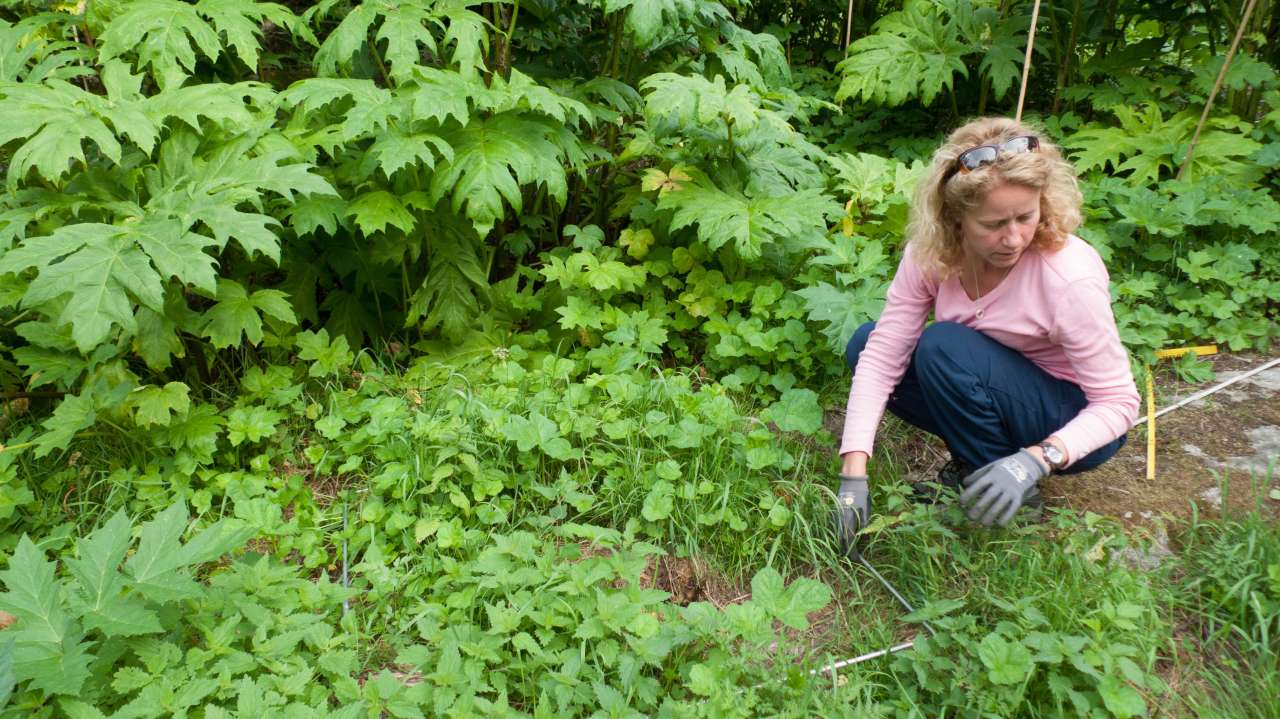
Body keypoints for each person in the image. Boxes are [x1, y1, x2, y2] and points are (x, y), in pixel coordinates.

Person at [832, 117, 1140, 546]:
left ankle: (1010, 482)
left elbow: (1119, 403)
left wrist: (1037, 459)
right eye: (994, 225)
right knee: (866, 343)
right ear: (955, 218)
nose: (1013, 238)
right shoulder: (932, 255)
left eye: (1025, 217)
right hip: (988, 384)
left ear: (1043, 204)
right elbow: (885, 354)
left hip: (1067, 415)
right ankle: (983, 471)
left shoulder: (1068, 277)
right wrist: (853, 474)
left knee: (943, 346)